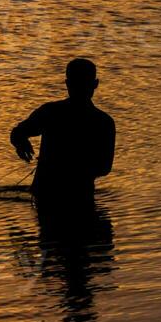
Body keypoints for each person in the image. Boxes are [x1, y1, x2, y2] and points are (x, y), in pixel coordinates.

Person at [10, 58, 115, 217]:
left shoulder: (50, 112)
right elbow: (104, 168)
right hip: (81, 198)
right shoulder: (103, 122)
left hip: (47, 194)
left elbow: (17, 133)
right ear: (95, 84)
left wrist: (21, 143)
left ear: (67, 84)